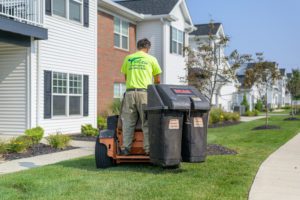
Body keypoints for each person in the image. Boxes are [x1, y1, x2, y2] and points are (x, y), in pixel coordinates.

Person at [120, 38, 162, 155]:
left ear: (138, 47)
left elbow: (126, 77)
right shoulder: (151, 59)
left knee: (128, 122)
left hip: (129, 93)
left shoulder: (128, 58)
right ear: (148, 48)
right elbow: (157, 80)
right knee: (146, 122)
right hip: (144, 93)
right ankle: (148, 149)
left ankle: (126, 149)